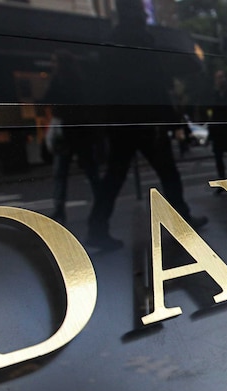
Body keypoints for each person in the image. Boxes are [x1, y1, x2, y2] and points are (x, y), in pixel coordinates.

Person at [86, 0, 207, 250]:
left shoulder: (110, 42)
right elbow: (156, 86)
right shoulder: (144, 40)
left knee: (114, 177)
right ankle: (182, 218)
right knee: (168, 173)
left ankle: (97, 227)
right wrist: (170, 119)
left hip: (121, 121)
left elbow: (103, 88)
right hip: (147, 119)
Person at [42, 49, 101, 224]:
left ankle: (59, 209)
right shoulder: (81, 80)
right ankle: (101, 202)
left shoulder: (58, 81)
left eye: (55, 61)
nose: (52, 65)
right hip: (82, 131)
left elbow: (47, 100)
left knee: (61, 173)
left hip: (66, 131)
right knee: (91, 171)